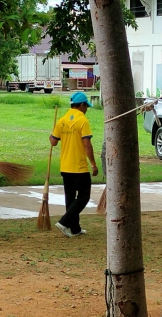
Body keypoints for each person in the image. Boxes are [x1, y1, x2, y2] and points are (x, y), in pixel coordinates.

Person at [50, 92, 98, 237]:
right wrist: (93, 164)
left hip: (65, 166)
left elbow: (53, 141)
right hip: (79, 167)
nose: (87, 109)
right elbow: (87, 144)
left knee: (70, 198)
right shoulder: (82, 120)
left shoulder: (62, 120)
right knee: (84, 197)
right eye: (86, 106)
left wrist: (51, 135)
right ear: (82, 105)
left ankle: (75, 228)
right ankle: (64, 222)